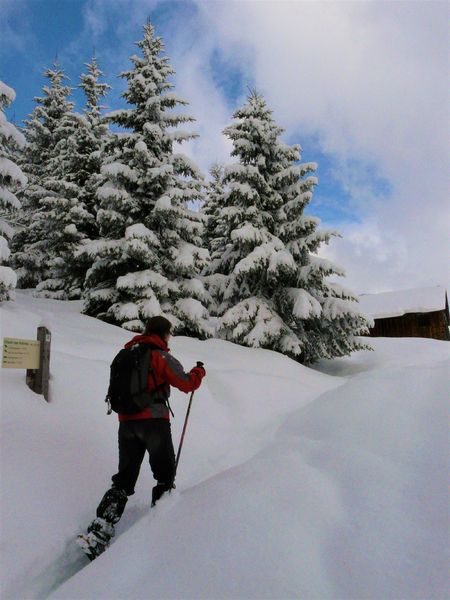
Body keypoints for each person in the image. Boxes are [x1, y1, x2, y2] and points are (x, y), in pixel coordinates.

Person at [77, 316, 206, 559]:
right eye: (169, 334)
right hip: (154, 423)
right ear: (164, 334)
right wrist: (198, 372)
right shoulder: (159, 356)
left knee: (124, 479)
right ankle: (162, 532)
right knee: (165, 475)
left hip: (126, 423)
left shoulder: (125, 354)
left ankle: (98, 532)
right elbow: (186, 384)